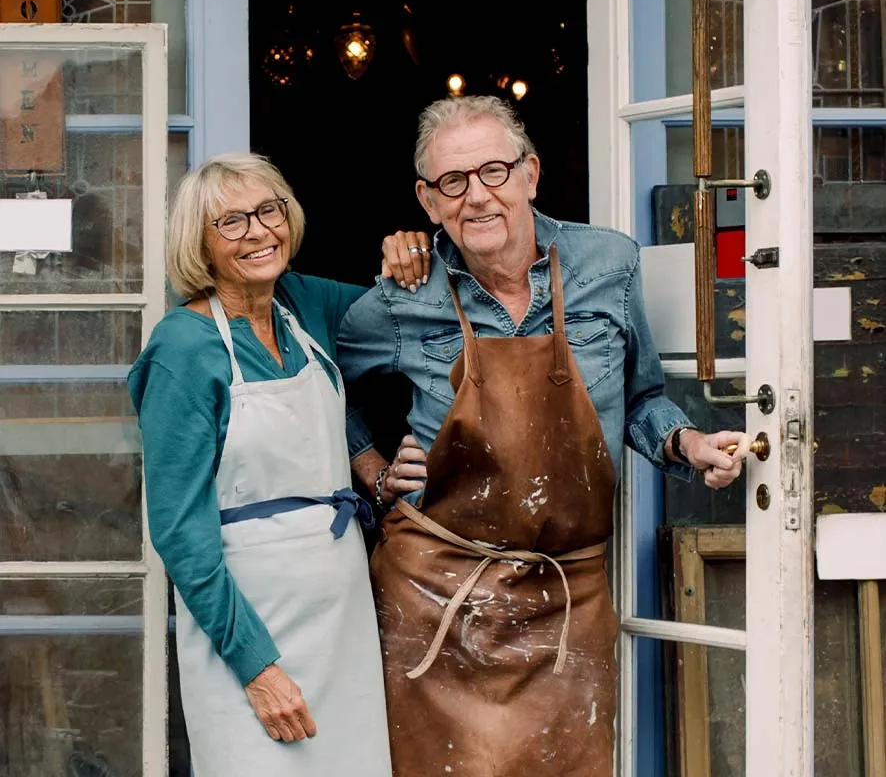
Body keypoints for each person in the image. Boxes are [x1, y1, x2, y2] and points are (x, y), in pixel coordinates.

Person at [339, 96, 752, 777]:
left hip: (568, 595)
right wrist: (372, 465)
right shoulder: (401, 297)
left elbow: (642, 394)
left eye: (494, 171)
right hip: (434, 595)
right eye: (453, 181)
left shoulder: (608, 264)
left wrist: (687, 444)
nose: (477, 196)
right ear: (428, 199)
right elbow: (317, 371)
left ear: (530, 173)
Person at [127, 153, 429, 776]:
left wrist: (412, 253)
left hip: (342, 620)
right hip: (249, 631)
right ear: (200, 244)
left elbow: (416, 310)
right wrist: (257, 669)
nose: (259, 232)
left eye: (269, 211)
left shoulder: (303, 304)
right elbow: (180, 534)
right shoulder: (181, 349)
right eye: (231, 222)